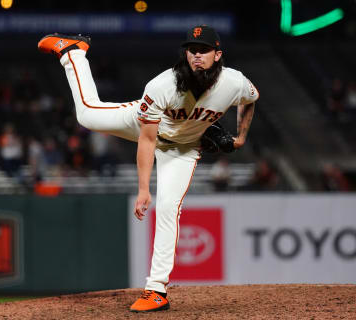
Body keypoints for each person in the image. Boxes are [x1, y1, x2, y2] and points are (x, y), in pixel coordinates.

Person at [38, 25, 258, 312]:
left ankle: (156, 291)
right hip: (145, 127)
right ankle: (73, 53)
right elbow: (147, 140)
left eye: (203, 50)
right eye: (192, 50)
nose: (196, 55)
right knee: (87, 115)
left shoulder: (234, 82)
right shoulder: (163, 85)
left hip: (184, 148)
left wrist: (240, 138)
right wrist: (143, 189)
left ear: (217, 55)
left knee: (169, 208)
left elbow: (251, 99)